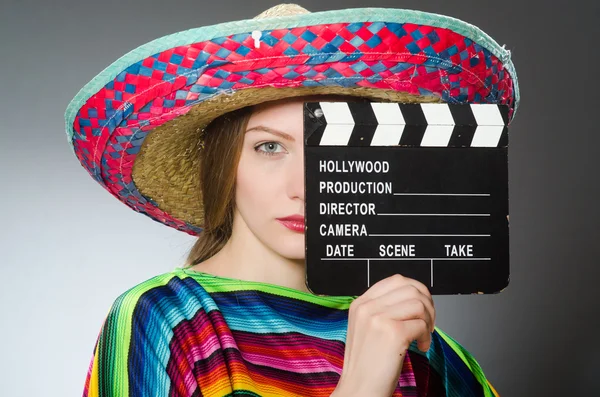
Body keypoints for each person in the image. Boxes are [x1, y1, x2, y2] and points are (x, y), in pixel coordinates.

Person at [66, 3, 517, 396]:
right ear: (226, 166)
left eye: (337, 151)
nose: (304, 187)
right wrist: (361, 386)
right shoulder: (165, 321)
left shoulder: (416, 343)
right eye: (269, 147)